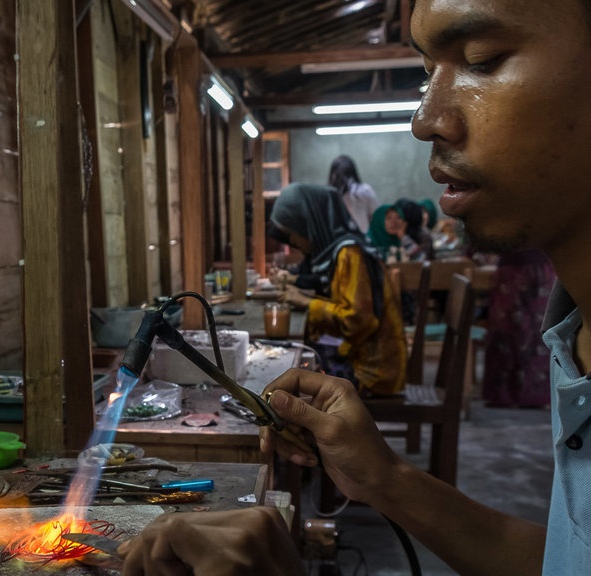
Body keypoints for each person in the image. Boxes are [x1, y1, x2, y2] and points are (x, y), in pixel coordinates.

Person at [116, 0, 589, 574]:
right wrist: (385, 479)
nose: (424, 119)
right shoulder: (575, 335)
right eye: (424, 75)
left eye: (481, 60)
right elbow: (566, 560)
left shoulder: (351, 255)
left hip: (377, 368)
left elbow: (357, 320)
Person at [266, 183, 406, 396]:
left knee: (287, 381)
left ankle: (314, 428)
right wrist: (302, 296)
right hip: (358, 354)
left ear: (309, 224)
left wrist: (306, 302)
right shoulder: (339, 250)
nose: (292, 241)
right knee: (294, 364)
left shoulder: (350, 254)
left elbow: (358, 320)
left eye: (293, 233)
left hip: (372, 370)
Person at [482, 249, 556, 408]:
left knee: (531, 331)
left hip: (529, 264)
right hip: (527, 264)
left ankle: (518, 394)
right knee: (511, 330)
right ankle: (517, 394)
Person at [328, 154, 379, 233]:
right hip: (361, 240)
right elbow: (377, 216)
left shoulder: (327, 194)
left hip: (337, 241)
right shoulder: (364, 190)